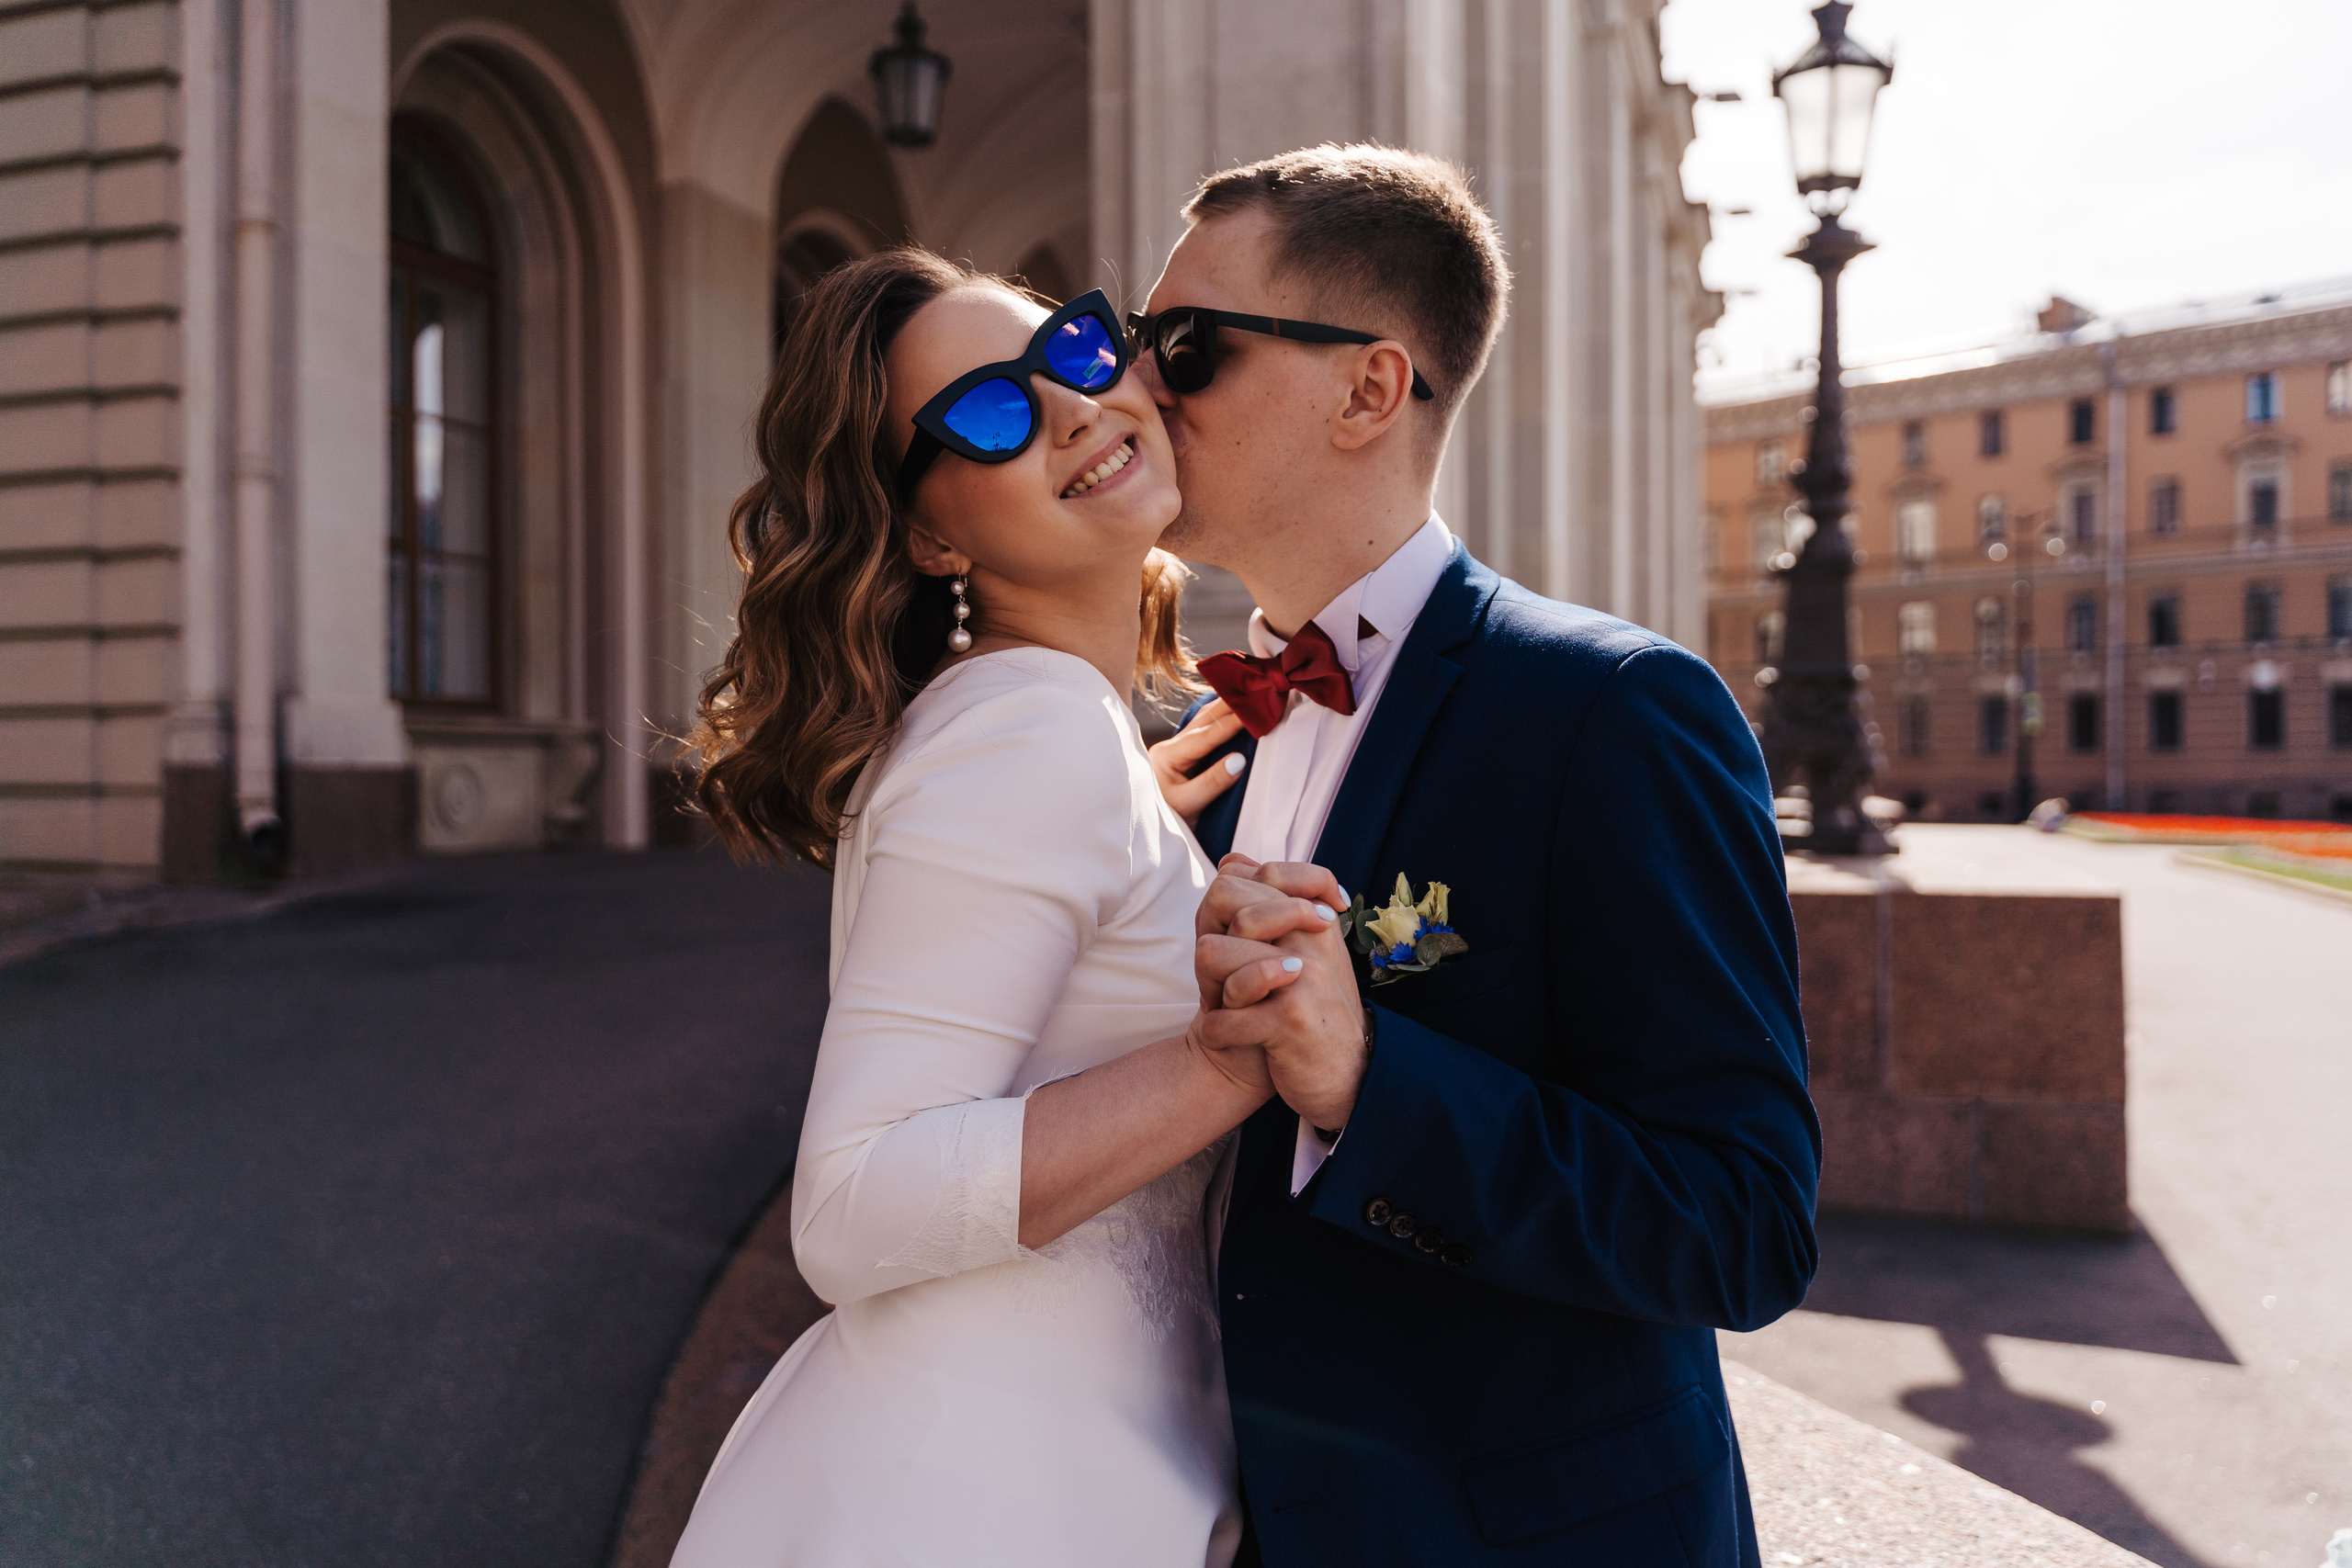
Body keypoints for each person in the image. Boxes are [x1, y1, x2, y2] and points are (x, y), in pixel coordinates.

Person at [1134, 144, 1822, 1565]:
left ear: (1368, 389)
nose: (1140, 388)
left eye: (1188, 347)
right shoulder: (1197, 750)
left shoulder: (1614, 711)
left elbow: (1742, 1222)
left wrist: (1372, 1082)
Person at [666, 249, 1325, 1567]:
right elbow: (848, 1210)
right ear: (930, 533)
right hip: (971, 1505)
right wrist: (1227, 1061)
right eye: (987, 413)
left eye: (1075, 349)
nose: (1071, 407)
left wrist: (1133, 841)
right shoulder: (1024, 732)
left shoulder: (1047, 725)